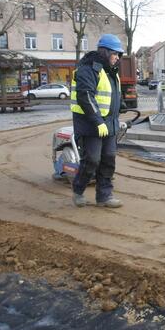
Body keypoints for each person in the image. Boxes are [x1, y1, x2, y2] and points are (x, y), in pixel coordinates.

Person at [71, 34, 126, 208]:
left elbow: (112, 94)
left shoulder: (111, 71)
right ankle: (78, 190)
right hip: (90, 125)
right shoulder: (88, 68)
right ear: (105, 52)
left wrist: (121, 107)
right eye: (115, 54)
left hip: (109, 124)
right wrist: (97, 121)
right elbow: (85, 96)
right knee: (92, 160)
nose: (117, 58)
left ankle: (104, 196)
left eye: (119, 55)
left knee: (108, 159)